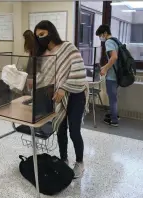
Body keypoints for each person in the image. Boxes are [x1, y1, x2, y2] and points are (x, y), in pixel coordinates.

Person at [33, 20, 89, 178]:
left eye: (42, 34)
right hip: (56, 97)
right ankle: (63, 159)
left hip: (76, 94)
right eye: (37, 36)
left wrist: (64, 87)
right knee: (61, 129)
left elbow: (79, 70)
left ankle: (79, 163)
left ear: (51, 32)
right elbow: (44, 76)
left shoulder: (68, 48)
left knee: (74, 131)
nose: (40, 38)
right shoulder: (43, 54)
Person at [96, 24, 119, 127]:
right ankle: (115, 115)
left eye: (101, 35)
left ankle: (114, 121)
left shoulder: (109, 42)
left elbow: (114, 57)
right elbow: (114, 59)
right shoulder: (116, 40)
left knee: (112, 98)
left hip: (112, 76)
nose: (101, 38)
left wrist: (105, 69)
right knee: (114, 97)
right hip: (118, 74)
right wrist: (105, 66)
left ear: (105, 33)